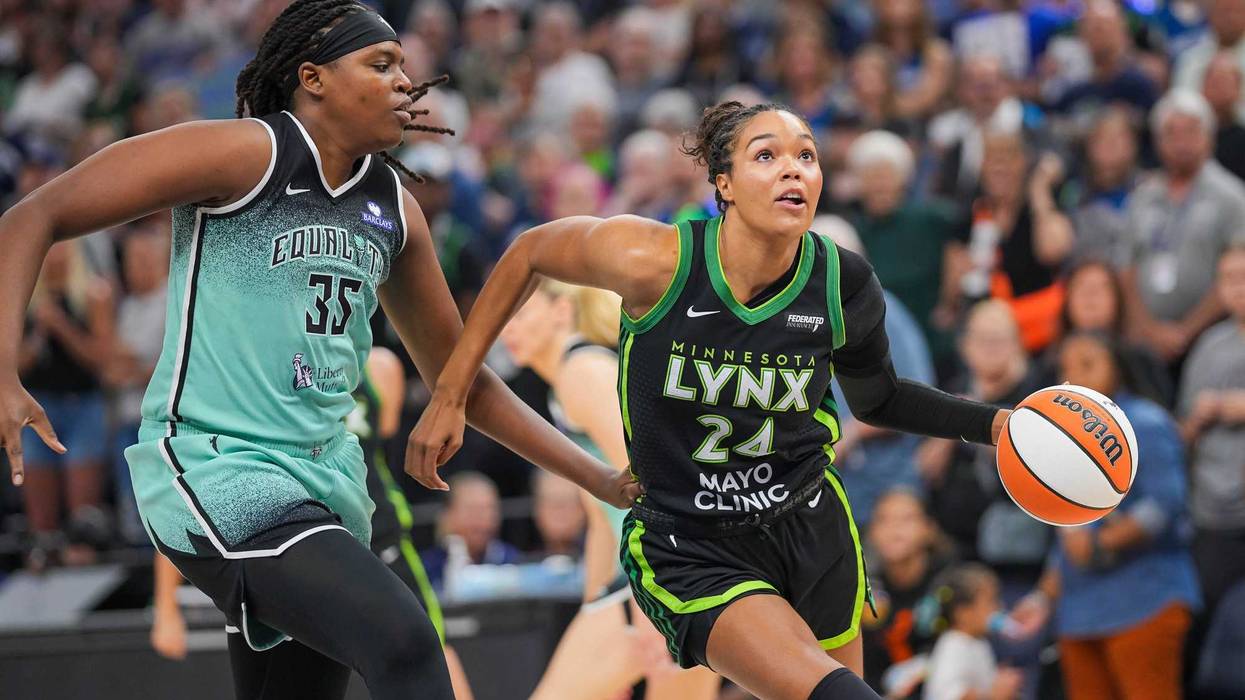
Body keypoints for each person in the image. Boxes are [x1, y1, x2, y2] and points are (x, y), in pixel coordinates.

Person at [0, 4, 638, 699]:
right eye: (381, 64)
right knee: (405, 642)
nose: (405, 81)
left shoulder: (394, 208)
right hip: (221, 468)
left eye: (404, 65)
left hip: (328, 486)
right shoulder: (246, 153)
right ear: (313, 79)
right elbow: (34, 216)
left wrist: (597, 477)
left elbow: (463, 385)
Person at [412, 100, 1009, 700]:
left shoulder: (841, 281)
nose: (793, 169)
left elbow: (878, 400)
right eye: (767, 155)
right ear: (723, 183)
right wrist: (450, 390)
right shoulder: (656, 260)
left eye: (807, 155)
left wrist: (997, 425)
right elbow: (531, 251)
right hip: (694, 542)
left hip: (808, 523)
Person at [151, 345, 475, 695]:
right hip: (288, 538)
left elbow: (381, 447)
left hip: (375, 535)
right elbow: (196, 491)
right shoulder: (254, 368)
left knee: (426, 656)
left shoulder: (380, 368)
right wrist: (166, 606)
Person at [501, 280, 720, 700]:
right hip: (680, 571)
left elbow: (654, 481)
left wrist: (655, 602)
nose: (506, 329)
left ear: (561, 312)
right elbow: (602, 513)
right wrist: (592, 605)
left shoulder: (581, 372)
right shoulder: (570, 379)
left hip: (671, 574)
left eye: (520, 314)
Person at [1010, 331, 1201, 700]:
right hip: (1079, 609)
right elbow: (1067, 532)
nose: (1073, 376)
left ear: (1117, 366)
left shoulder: (1145, 421)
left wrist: (1102, 542)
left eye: (1087, 364)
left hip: (1145, 596)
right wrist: (1042, 598)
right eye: (1064, 369)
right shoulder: (1060, 436)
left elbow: (1167, 503)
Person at [922, 564, 1023, 700]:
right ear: (962, 613)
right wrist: (993, 695)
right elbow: (949, 695)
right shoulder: (954, 646)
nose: (999, 607)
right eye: (991, 601)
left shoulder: (979, 642)